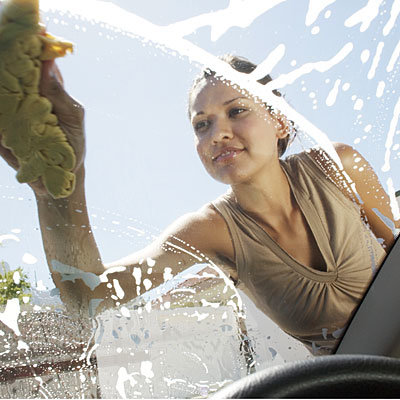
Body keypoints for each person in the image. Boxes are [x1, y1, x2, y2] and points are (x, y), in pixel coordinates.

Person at [0, 54, 398, 355]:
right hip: (357, 385)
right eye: (201, 124)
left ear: (280, 122)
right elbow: (87, 297)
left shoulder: (338, 165)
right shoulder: (210, 230)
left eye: (236, 110)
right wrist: (59, 190)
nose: (217, 133)